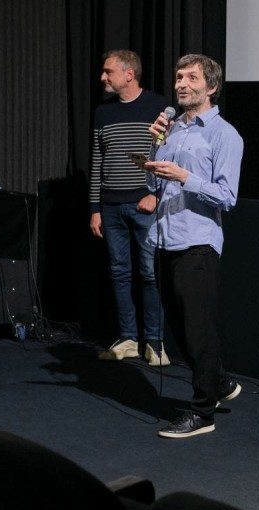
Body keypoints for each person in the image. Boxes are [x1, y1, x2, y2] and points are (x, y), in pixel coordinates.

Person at [144, 54, 244, 438]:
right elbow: (154, 185)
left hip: (197, 242)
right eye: (178, 78)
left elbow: (228, 196)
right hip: (164, 238)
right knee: (179, 330)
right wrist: (154, 150)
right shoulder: (171, 130)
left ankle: (203, 412)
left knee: (197, 329)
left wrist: (186, 177)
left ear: (211, 87)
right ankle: (218, 382)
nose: (181, 84)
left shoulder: (224, 135)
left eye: (190, 78)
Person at [90, 49, 170, 367]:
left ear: (128, 74)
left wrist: (157, 195)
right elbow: (97, 161)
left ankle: (155, 343)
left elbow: (169, 156)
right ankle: (128, 339)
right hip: (110, 207)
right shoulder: (103, 113)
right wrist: (95, 207)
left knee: (150, 274)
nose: (103, 77)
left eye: (108, 71)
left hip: (144, 205)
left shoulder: (157, 106)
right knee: (119, 273)